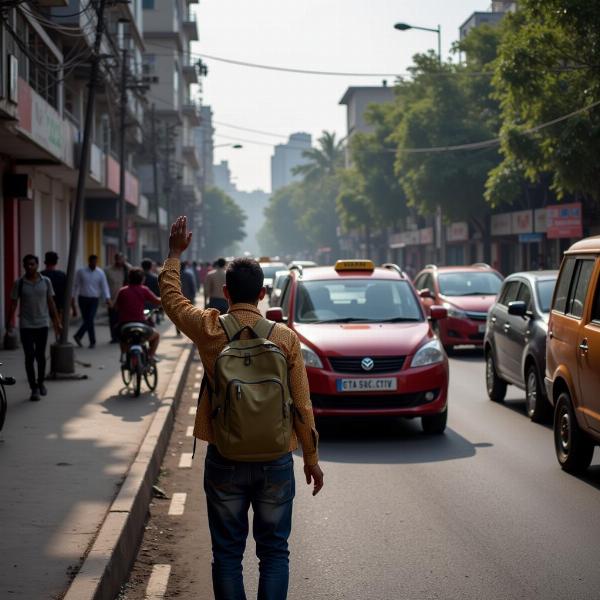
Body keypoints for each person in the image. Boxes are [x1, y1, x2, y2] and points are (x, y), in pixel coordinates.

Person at [159, 217, 323, 600]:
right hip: (276, 461)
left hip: (225, 458)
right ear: (264, 294)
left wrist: (174, 254)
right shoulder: (285, 338)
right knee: (274, 553)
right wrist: (311, 458)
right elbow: (302, 405)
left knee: (228, 554)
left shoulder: (210, 329)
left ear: (227, 293)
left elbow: (172, 300)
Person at [6, 255, 61, 401]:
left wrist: (57, 322)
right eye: (27, 265)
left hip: (42, 324)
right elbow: (13, 303)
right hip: (26, 325)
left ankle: (41, 382)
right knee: (29, 357)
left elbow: (51, 303)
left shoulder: (46, 281)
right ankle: (34, 388)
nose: (29, 267)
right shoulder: (19, 283)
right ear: (24, 266)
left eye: (32, 264)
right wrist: (9, 322)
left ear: (37, 265)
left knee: (40, 356)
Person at [114, 267, 161, 361]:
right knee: (156, 335)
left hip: (124, 324)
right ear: (142, 279)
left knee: (121, 335)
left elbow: (116, 307)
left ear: (129, 278)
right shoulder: (144, 289)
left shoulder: (123, 290)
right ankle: (151, 356)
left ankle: (123, 353)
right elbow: (157, 301)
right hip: (141, 323)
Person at [72, 255, 111, 348]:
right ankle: (92, 341)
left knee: (90, 318)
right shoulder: (81, 272)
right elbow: (75, 285)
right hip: (83, 298)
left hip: (94, 299)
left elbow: (104, 286)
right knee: (88, 320)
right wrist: (72, 297)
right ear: (89, 261)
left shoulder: (100, 273)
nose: (94, 263)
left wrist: (107, 298)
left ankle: (79, 335)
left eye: (95, 262)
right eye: (92, 261)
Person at [104, 252, 130, 343]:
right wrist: (107, 299)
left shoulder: (127, 269)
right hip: (112, 299)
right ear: (115, 259)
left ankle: (121, 336)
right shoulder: (108, 270)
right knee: (113, 319)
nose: (120, 261)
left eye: (122, 260)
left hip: (124, 300)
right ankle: (114, 337)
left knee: (123, 319)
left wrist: (126, 265)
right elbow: (105, 286)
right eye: (119, 259)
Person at [41, 251, 67, 318]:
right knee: (57, 325)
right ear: (56, 262)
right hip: (58, 305)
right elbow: (65, 292)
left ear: (45, 262)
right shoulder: (62, 275)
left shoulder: (40, 276)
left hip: (43, 305)